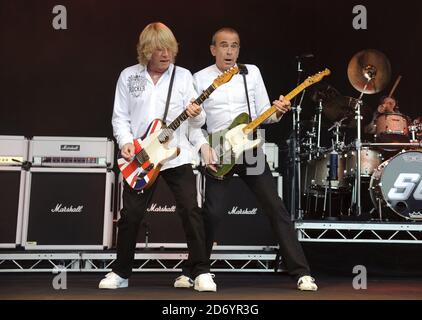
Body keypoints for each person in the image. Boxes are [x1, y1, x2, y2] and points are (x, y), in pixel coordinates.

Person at [175, 27, 318, 291]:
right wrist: (204, 148)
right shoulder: (198, 78)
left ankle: (301, 272)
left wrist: (278, 112)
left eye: (235, 46)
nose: (229, 51)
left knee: (276, 208)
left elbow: (265, 113)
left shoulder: (251, 73)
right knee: (212, 213)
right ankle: (195, 270)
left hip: (250, 149)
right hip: (219, 150)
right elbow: (194, 124)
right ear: (213, 49)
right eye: (224, 45)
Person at [99, 22, 216, 292]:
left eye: (170, 49)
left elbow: (198, 123)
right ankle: (121, 272)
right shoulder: (128, 76)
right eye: (158, 49)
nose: (165, 54)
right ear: (145, 51)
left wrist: (197, 112)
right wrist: (127, 143)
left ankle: (201, 272)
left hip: (177, 155)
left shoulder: (185, 76)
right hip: (141, 157)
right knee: (130, 216)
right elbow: (120, 117)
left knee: (191, 211)